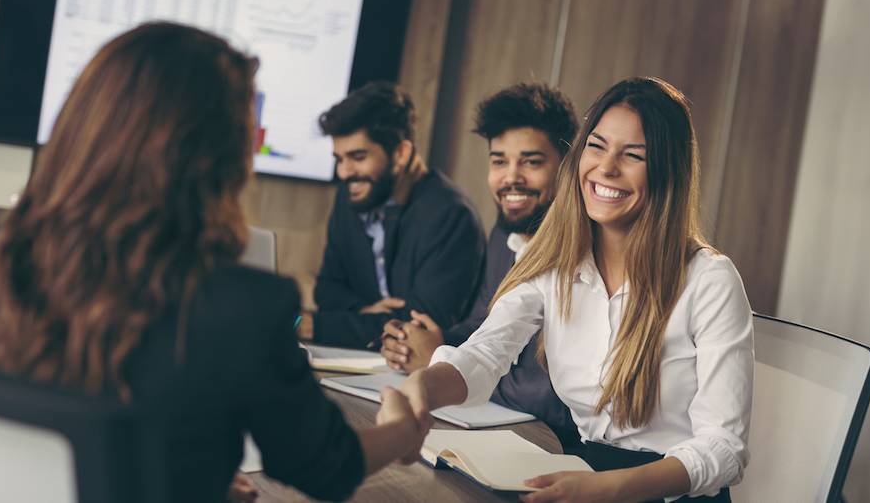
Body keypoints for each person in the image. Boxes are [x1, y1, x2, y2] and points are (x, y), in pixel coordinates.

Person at [0, 23, 427, 503]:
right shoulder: (240, 306)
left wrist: (185, 473)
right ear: (217, 158)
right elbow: (326, 467)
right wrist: (403, 429)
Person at [399, 77, 754, 503]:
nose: (606, 168)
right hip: (581, 472)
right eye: (597, 146)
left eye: (633, 155)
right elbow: (485, 355)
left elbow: (724, 449)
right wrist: (421, 390)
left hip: (666, 492)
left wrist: (610, 489)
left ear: (667, 171)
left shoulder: (710, 280)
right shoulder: (555, 261)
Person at [379, 83, 580, 439]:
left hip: (556, 442)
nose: (511, 177)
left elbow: (556, 395)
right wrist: (431, 341)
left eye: (531, 162)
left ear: (567, 167)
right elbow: (482, 323)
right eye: (499, 161)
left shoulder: (585, 253)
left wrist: (441, 364)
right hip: (495, 426)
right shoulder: (504, 235)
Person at [300, 81, 485, 349]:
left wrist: (315, 326)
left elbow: (419, 327)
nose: (344, 172)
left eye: (358, 157)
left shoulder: (452, 216)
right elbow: (327, 289)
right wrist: (365, 311)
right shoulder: (351, 196)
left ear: (401, 153)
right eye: (339, 159)